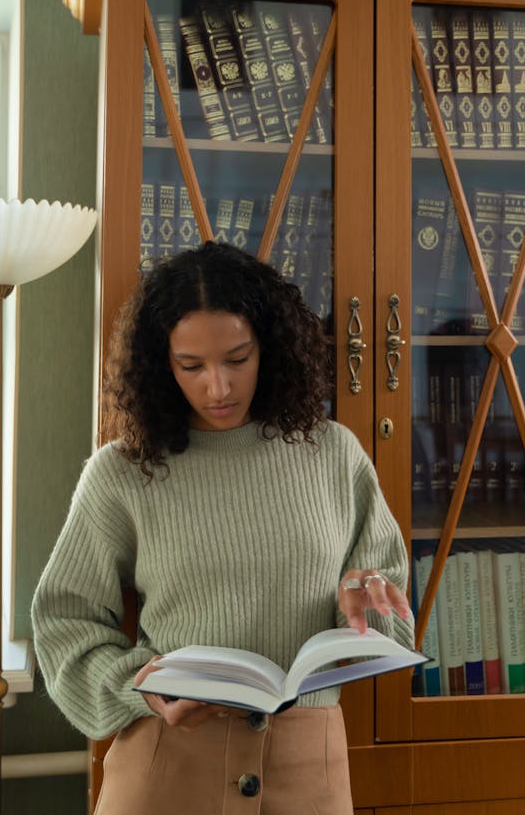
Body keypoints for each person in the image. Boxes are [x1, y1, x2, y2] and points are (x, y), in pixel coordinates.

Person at [32, 241, 414, 815]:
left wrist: (367, 604)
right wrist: (144, 685)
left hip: (307, 768)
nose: (219, 387)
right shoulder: (121, 471)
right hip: (166, 766)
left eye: (238, 359)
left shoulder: (335, 455)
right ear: (161, 363)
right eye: (192, 366)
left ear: (271, 347)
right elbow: (64, 622)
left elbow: (386, 630)